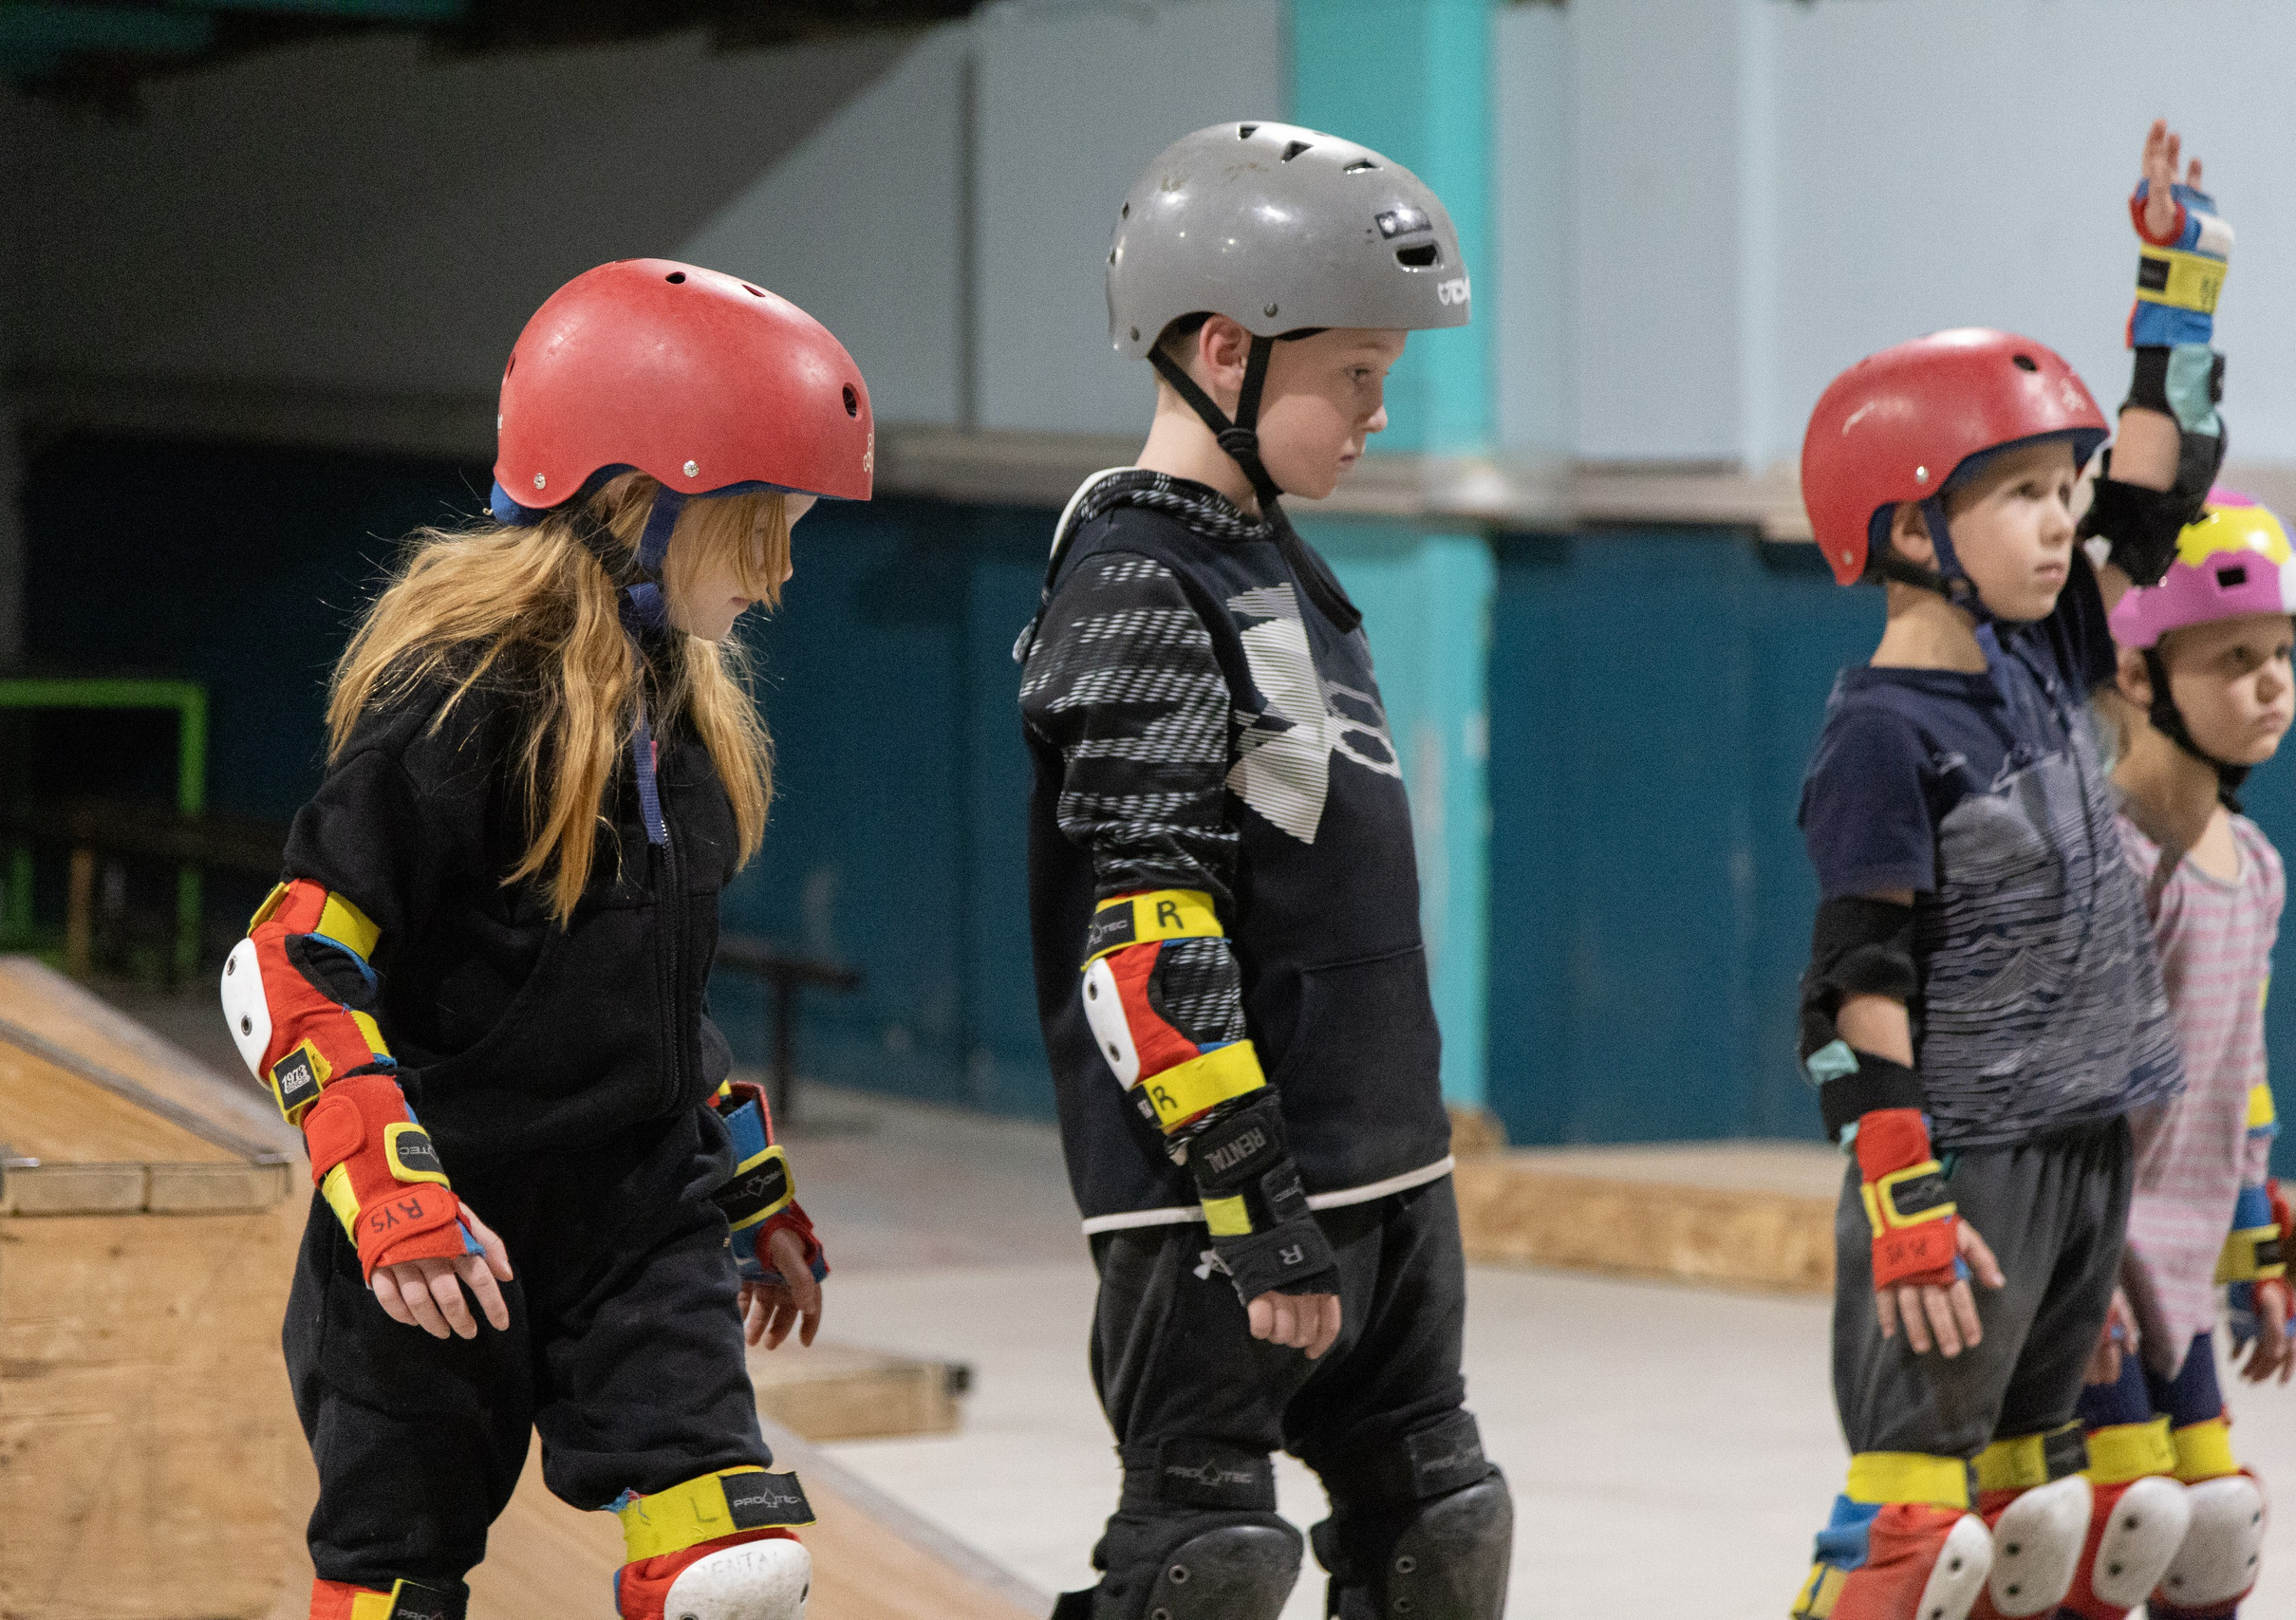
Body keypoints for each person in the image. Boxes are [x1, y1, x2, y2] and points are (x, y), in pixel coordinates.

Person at [217, 258, 870, 1620]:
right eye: (762, 529)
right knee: (400, 1592)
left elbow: (642, 995)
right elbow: (284, 962)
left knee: (737, 1574)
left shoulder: (678, 721)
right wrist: (387, 1190)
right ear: (639, 500)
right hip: (442, 1245)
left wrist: (744, 1187)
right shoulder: (464, 703)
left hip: (638, 1227)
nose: (780, 577)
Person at [1017, 121, 1510, 1620]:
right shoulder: (1136, 581)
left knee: (1441, 1534)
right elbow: (1145, 947)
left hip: (1386, 1165)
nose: (1377, 413)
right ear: (1226, 350)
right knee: (1206, 1562)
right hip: (1221, 1195)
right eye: (1354, 373)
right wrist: (1253, 1197)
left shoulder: (1272, 557)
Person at [1782, 120, 2251, 1617]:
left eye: (2064, 487)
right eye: (2026, 494)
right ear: (1912, 527)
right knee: (1918, 1534)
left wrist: (2180, 286)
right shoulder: (1884, 732)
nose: (2066, 522)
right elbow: (1853, 981)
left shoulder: (2046, 652)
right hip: (1967, 1161)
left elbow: (2155, 496)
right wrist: (1900, 1187)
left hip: (2083, 1138)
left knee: (2041, 1521)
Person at [2052, 125, 2286, 1620]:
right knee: (2109, 1529)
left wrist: (2263, 1227)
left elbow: (2239, 1058)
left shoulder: (2253, 861)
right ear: (2139, 675)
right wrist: (2173, 295)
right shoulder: (2094, 834)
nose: (2270, 689)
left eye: (2283, 660)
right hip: (2091, 1245)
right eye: (2236, 660)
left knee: (2216, 1535)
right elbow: (2143, 492)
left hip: (2194, 1243)